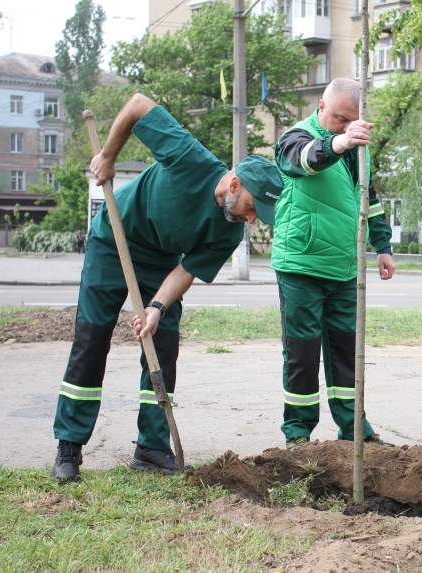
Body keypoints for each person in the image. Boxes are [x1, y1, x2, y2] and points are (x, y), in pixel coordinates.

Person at [51, 93, 284, 482]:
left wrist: (157, 307)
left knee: (163, 344)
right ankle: (69, 447)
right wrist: (108, 156)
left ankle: (151, 448)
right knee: (92, 338)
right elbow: (138, 104)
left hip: (160, 261)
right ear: (235, 183)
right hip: (115, 237)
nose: (252, 219)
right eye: (252, 206)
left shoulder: (227, 231)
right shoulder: (191, 158)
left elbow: (187, 270)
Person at [272, 78, 396, 451]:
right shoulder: (295, 137)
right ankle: (298, 435)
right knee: (302, 355)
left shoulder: (359, 147)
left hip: (345, 268)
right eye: (339, 118)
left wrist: (383, 245)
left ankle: (354, 428)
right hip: (302, 265)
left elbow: (367, 197)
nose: (344, 126)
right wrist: (340, 141)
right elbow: (305, 161)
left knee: (347, 354)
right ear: (321, 106)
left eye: (351, 121)